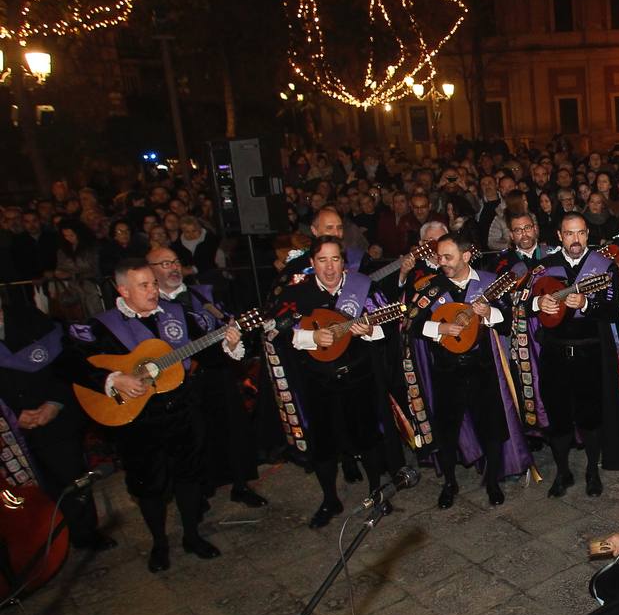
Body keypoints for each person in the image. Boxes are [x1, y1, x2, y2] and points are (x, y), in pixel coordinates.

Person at [64, 259, 242, 572]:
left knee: (189, 477)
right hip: (138, 421)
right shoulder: (100, 326)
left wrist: (229, 343)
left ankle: (191, 535)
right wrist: (113, 380)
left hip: (182, 413)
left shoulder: (176, 314)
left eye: (154, 284)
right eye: (144, 285)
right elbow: (71, 362)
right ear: (123, 290)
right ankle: (159, 543)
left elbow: (206, 352)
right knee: (149, 486)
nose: (153, 290)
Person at [405, 231, 522, 507]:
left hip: (482, 368)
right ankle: (449, 483)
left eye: (448, 256)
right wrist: (441, 328)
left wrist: (489, 314)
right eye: (440, 256)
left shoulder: (490, 283)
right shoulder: (430, 287)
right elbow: (411, 324)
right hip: (446, 371)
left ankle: (492, 481)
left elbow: (507, 323)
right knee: (447, 431)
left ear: (466, 255)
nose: (441, 261)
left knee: (491, 428)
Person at [281, 237, 391, 528]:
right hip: (318, 381)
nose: (329, 268)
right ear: (312, 263)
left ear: (344, 262)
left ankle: (376, 492)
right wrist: (311, 337)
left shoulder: (363, 287)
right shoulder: (298, 294)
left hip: (358, 376)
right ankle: (330, 499)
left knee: (367, 437)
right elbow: (279, 330)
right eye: (322, 260)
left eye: (335, 260)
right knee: (324, 444)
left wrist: (368, 330)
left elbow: (386, 327)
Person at [146, 245, 267, 508]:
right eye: (165, 264)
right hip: (177, 384)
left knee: (233, 429)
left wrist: (234, 334)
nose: (174, 267)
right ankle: (199, 492)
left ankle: (240, 484)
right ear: (151, 272)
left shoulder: (201, 295)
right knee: (193, 438)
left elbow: (225, 323)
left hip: (216, 373)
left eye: (176, 262)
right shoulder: (149, 306)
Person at [524, 213, 619, 497]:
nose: (576, 239)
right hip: (554, 355)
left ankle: (592, 472)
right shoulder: (543, 268)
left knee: (590, 418)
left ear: (588, 235)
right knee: (558, 418)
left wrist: (586, 303)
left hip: (590, 354)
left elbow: (611, 310)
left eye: (581, 233)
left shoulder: (603, 266)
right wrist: (539, 302)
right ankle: (563, 473)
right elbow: (521, 304)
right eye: (569, 234)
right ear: (559, 236)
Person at [0, 297, 116, 553]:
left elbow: (66, 363)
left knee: (72, 478)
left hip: (52, 416)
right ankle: (39, 541)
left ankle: (84, 534)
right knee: (23, 494)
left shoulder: (30, 318)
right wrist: (10, 414)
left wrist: (55, 402)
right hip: (7, 431)